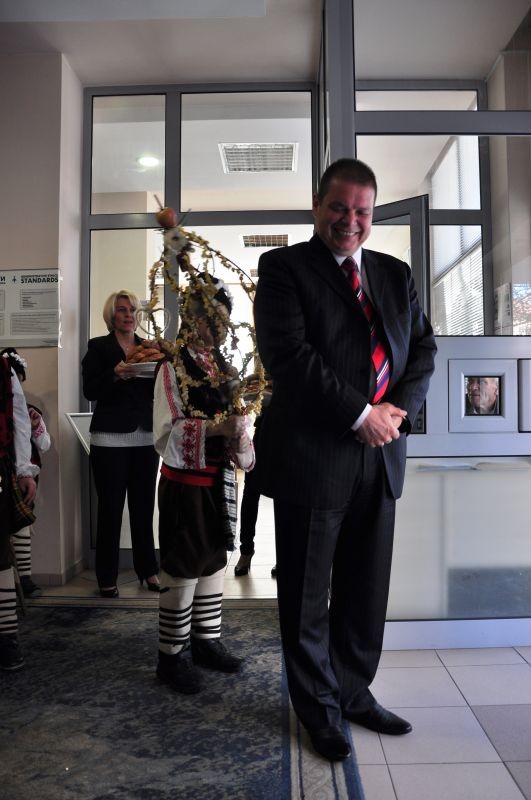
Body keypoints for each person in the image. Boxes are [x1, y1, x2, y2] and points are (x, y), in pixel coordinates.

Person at [253, 158, 437, 761]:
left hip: (381, 457)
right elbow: (289, 357)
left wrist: (394, 416)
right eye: (339, 207)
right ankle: (318, 709)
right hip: (314, 458)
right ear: (318, 206)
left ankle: (353, 692)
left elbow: (423, 349)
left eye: (362, 210)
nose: (350, 220)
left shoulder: (394, 273)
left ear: (372, 213)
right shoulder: (283, 269)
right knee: (307, 596)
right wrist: (361, 414)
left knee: (365, 589)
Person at [153, 276, 254, 694]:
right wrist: (218, 429)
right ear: (193, 320)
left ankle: (206, 640)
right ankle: (171, 655)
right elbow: (166, 432)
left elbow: (238, 420)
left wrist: (240, 434)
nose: (219, 329)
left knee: (213, 560)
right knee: (184, 564)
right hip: (185, 485)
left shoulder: (225, 369)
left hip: (218, 482)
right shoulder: (172, 367)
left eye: (224, 321)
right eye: (213, 320)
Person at [82, 290, 160, 598]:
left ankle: (148, 570)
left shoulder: (149, 348)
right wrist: (114, 374)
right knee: (111, 510)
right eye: (122, 310)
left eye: (133, 310)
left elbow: (158, 389)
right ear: (112, 316)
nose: (129, 315)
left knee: (143, 508)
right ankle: (106, 576)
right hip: (109, 439)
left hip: (145, 437)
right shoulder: (99, 347)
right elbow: (90, 390)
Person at [1, 348, 51, 599]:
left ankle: (25, 577)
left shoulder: (28, 410)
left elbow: (45, 444)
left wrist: (35, 426)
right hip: (7, 468)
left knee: (22, 524)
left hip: (20, 473)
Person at [0, 354, 38, 670]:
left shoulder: (4, 369)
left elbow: (19, 418)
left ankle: (6, 637)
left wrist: (25, 470)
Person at [233, 375, 275, 577]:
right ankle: (246, 551)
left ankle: (284, 556)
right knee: (251, 492)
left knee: (285, 498)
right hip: (264, 432)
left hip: (293, 435)